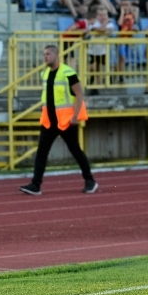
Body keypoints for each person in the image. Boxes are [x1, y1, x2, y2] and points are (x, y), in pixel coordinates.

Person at [19, 45, 97, 196]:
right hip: (49, 121)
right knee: (41, 152)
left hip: (66, 121)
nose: (45, 57)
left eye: (48, 54)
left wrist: (75, 116)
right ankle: (35, 185)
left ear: (55, 55)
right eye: (44, 54)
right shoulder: (45, 73)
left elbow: (79, 93)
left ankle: (90, 180)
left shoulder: (68, 73)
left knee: (75, 151)